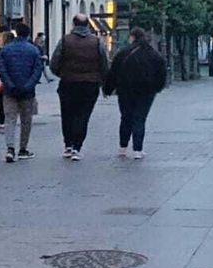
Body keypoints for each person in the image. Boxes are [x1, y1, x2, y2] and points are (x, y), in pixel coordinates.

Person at [50, 13, 108, 159]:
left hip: (68, 83)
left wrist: (62, 74)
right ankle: (77, 147)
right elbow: (104, 63)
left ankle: (68, 145)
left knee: (67, 114)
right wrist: (101, 79)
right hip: (90, 84)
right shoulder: (96, 42)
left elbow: (54, 62)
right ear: (88, 25)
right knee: (83, 115)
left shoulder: (65, 40)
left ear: (73, 25)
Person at [105, 27, 168, 159]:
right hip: (146, 92)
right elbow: (162, 73)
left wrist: (108, 88)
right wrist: (157, 88)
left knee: (126, 118)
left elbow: (113, 71)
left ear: (132, 37)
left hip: (125, 90)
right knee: (139, 118)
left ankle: (123, 147)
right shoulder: (154, 54)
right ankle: (138, 149)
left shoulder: (123, 53)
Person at [0, 22, 45, 162]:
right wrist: (29, 85)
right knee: (26, 120)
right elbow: (37, 70)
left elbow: (2, 70)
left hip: (10, 91)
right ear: (28, 34)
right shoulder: (34, 50)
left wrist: (9, 84)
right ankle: (23, 149)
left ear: (16, 33)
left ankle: (10, 148)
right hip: (27, 92)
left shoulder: (5, 50)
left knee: (10, 119)